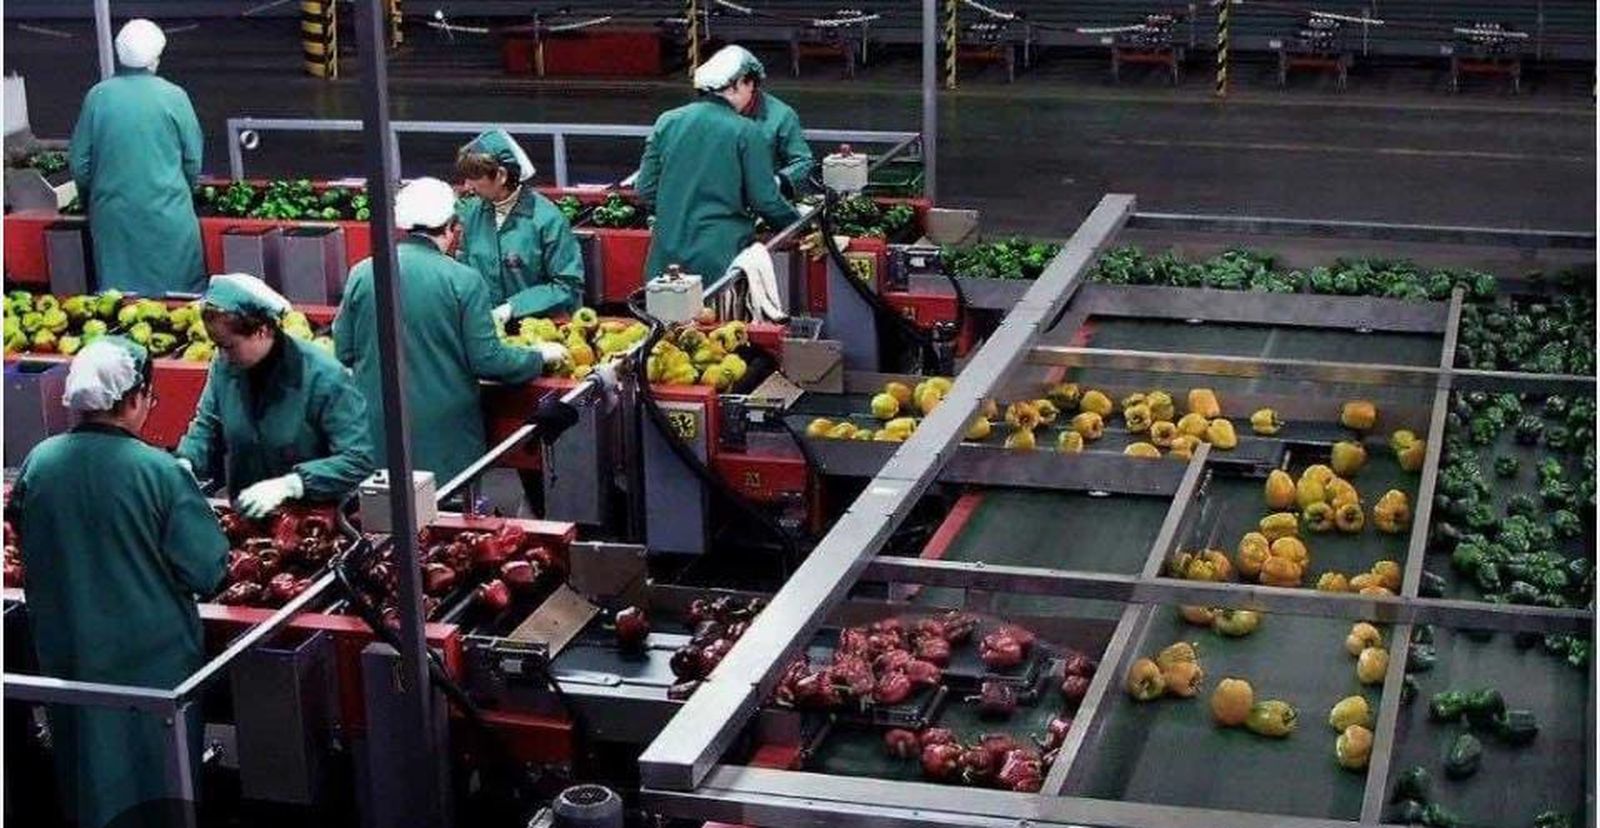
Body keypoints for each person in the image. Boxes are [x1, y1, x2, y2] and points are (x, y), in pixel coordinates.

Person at [9, 336, 228, 828]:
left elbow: (25, 534)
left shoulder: (40, 462)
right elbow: (207, 569)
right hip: (150, 666)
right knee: (158, 786)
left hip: (69, 655)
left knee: (88, 778)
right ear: (134, 398)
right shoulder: (159, 472)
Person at [335, 177, 567, 487]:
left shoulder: (363, 273)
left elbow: (344, 350)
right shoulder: (463, 280)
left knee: (382, 508)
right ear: (451, 227)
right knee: (445, 512)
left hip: (377, 431)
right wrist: (538, 357)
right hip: (444, 436)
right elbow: (488, 360)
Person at [176, 273, 375, 516]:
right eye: (218, 346)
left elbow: (357, 459)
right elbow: (209, 423)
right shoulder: (225, 367)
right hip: (249, 516)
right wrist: (187, 461)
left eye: (229, 346)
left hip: (314, 521)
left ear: (262, 331)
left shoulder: (324, 377)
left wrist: (294, 484)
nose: (222, 355)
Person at [636, 44, 802, 284]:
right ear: (738, 84)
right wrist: (797, 225)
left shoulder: (667, 121)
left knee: (668, 309)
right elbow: (764, 199)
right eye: (751, 86)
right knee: (715, 311)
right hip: (720, 258)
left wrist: (676, 214)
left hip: (664, 256)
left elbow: (645, 189)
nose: (752, 93)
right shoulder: (746, 131)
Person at [68, 19, 206, 296]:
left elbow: (80, 164)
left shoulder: (98, 96)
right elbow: (192, 161)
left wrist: (95, 199)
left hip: (113, 216)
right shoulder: (174, 96)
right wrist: (181, 193)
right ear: (155, 58)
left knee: (119, 301)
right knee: (179, 300)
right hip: (168, 212)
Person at [456, 129, 587, 325]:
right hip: (486, 326)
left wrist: (512, 308)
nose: (467, 185)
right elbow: (464, 271)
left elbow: (567, 285)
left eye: (474, 176)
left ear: (501, 175)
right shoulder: (473, 213)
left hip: (540, 331)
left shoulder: (547, 220)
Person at [711, 45, 815, 197]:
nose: (725, 96)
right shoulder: (708, 111)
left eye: (731, 88)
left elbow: (803, 162)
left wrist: (775, 182)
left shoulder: (781, 116)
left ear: (750, 84)